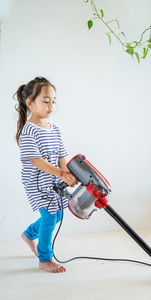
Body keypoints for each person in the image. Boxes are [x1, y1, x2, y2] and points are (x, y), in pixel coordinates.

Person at [14, 76, 78, 273]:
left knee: (57, 215)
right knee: (50, 217)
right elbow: (35, 160)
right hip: (36, 182)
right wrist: (60, 173)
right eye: (45, 100)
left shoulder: (54, 129)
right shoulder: (29, 130)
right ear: (30, 103)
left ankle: (29, 234)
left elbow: (61, 156)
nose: (51, 106)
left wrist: (67, 173)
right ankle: (45, 259)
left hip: (53, 180)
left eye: (53, 101)